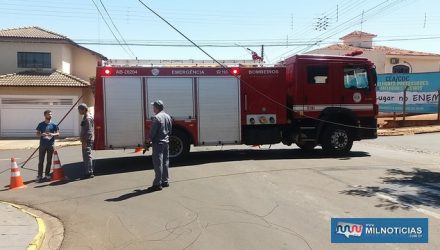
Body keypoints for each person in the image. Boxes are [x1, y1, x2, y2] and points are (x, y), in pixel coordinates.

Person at [147, 100, 172, 192]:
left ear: (157, 107)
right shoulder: (168, 116)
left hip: (158, 143)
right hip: (166, 142)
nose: (153, 108)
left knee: (158, 164)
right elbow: (170, 130)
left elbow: (153, 132)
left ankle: (157, 184)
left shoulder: (156, 118)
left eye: (154, 106)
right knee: (165, 162)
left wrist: (148, 140)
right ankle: (165, 181)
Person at [36, 110, 60, 183]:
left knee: (49, 161)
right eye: (49, 114)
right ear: (45, 115)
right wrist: (41, 134)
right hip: (42, 145)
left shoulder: (54, 124)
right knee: (41, 161)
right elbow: (37, 134)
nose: (50, 115)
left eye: (51, 114)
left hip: (50, 145)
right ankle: (39, 175)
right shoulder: (40, 124)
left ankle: (47, 174)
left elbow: (58, 134)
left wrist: (53, 134)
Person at [78, 103, 95, 179]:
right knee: (86, 156)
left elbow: (88, 131)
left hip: (87, 140)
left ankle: (89, 173)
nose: (79, 112)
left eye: (80, 110)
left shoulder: (87, 118)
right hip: (86, 139)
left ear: (84, 109)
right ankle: (88, 171)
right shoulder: (86, 116)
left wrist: (84, 141)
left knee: (87, 156)